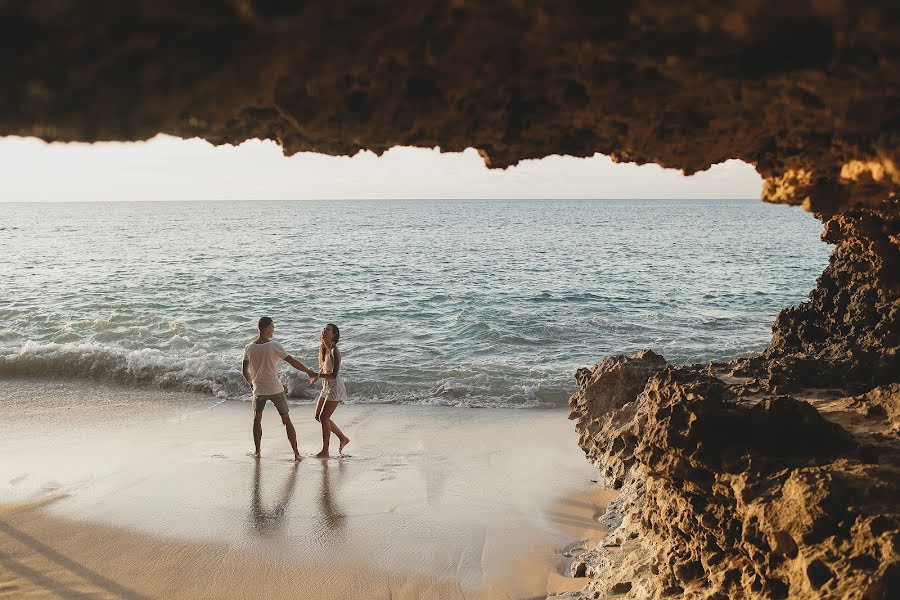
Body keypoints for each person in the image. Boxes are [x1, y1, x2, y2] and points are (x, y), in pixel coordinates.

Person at [242, 316, 315, 461]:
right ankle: (296, 453)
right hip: (275, 389)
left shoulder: (249, 347)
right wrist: (308, 371)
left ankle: (257, 451)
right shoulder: (274, 345)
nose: (273, 329)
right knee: (286, 420)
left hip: (259, 389)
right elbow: (292, 361)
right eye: (272, 327)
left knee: (257, 419)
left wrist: (251, 384)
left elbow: (244, 370)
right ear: (267, 328)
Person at [311, 323, 350, 458]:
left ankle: (325, 450)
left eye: (327, 330)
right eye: (323, 329)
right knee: (319, 417)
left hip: (335, 387)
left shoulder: (335, 350)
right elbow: (325, 367)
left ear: (334, 335)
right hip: (326, 386)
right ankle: (343, 438)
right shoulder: (324, 348)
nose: (324, 330)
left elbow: (334, 375)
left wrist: (316, 375)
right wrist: (318, 376)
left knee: (324, 417)